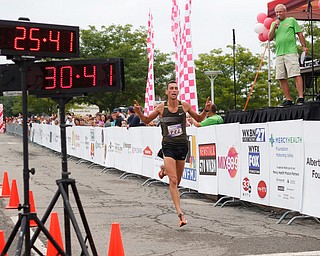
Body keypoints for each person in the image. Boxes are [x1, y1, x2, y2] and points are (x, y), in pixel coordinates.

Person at [134, 80, 212, 227]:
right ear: (167, 92)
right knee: (174, 181)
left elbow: (200, 119)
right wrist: (138, 111)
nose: (174, 90)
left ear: (178, 91)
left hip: (182, 146)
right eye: (171, 88)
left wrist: (206, 110)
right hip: (168, 146)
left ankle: (164, 169)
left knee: (178, 181)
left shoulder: (185, 106)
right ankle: (180, 214)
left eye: (176, 88)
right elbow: (145, 120)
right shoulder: (161, 108)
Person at [268, 3, 308, 107]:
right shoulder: (274, 23)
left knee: (295, 73)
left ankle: (300, 97)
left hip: (291, 52)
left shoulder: (291, 20)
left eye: (280, 11)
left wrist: (304, 46)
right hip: (279, 53)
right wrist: (274, 27)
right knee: (281, 77)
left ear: (285, 12)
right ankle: (288, 99)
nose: (278, 14)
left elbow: (299, 33)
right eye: (276, 12)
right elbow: (269, 38)